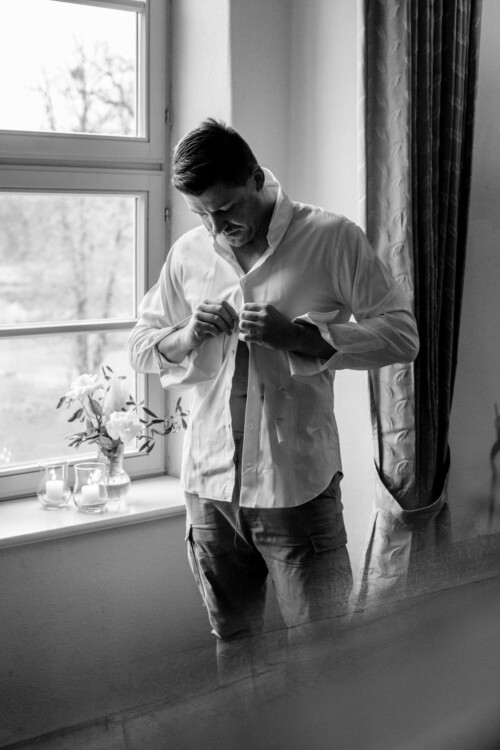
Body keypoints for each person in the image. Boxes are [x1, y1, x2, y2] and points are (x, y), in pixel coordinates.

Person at [128, 119, 419, 680]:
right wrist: (187, 334)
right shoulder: (190, 252)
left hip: (296, 489)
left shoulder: (331, 238)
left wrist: (303, 337)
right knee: (234, 648)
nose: (217, 228)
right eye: (202, 214)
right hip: (209, 492)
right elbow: (141, 346)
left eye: (226, 209)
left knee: (326, 657)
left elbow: (403, 335)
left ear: (256, 178)